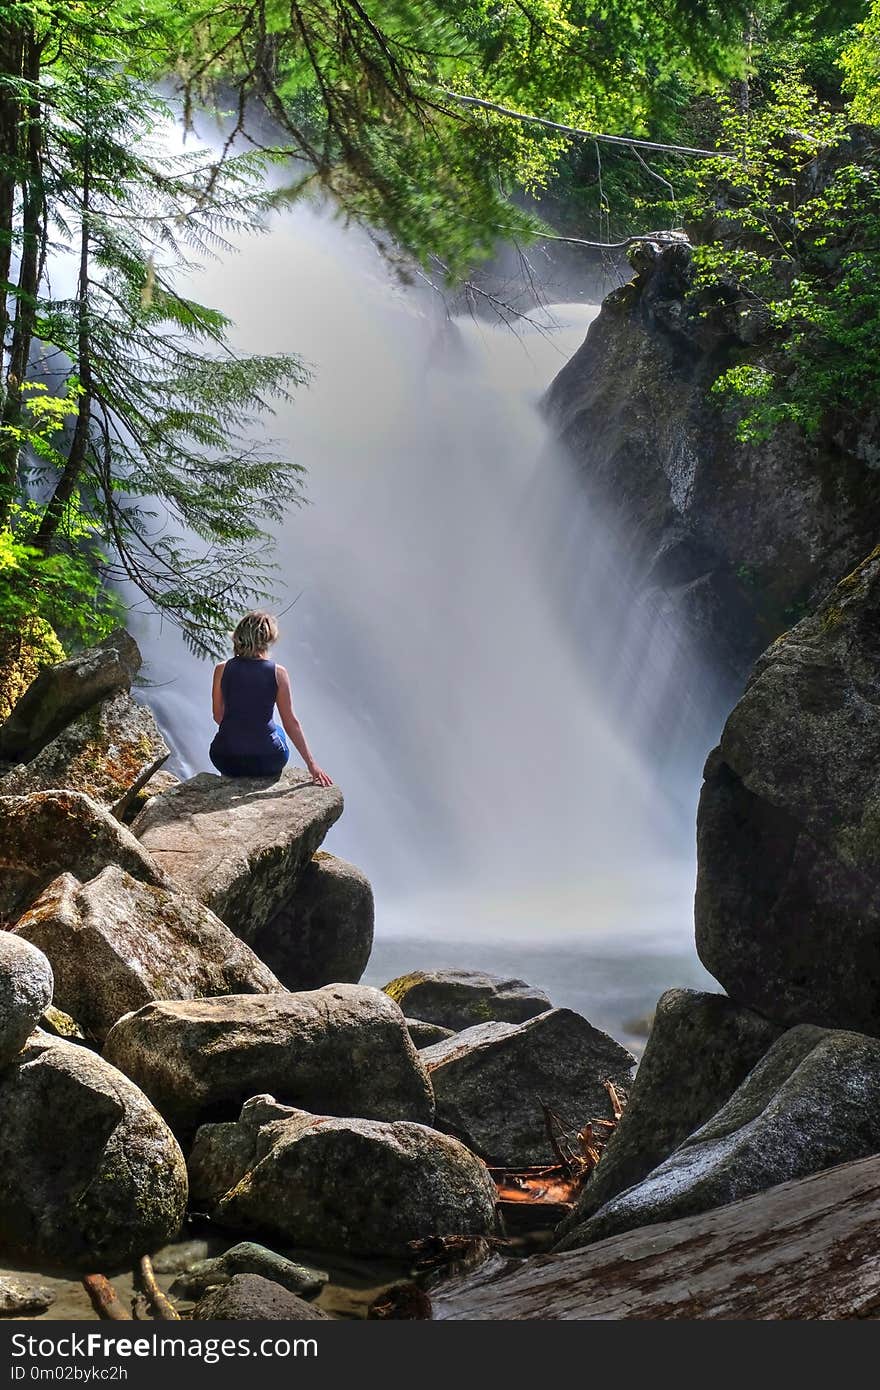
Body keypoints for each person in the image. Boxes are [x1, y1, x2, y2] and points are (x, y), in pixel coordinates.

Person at [209, 611, 333, 786]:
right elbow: (291, 723)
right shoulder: (278, 673)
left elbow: (218, 715)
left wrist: (238, 736)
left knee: (228, 735)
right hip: (268, 761)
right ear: (266, 641)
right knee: (279, 730)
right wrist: (312, 765)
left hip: (225, 759)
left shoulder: (222, 669)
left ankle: (230, 776)